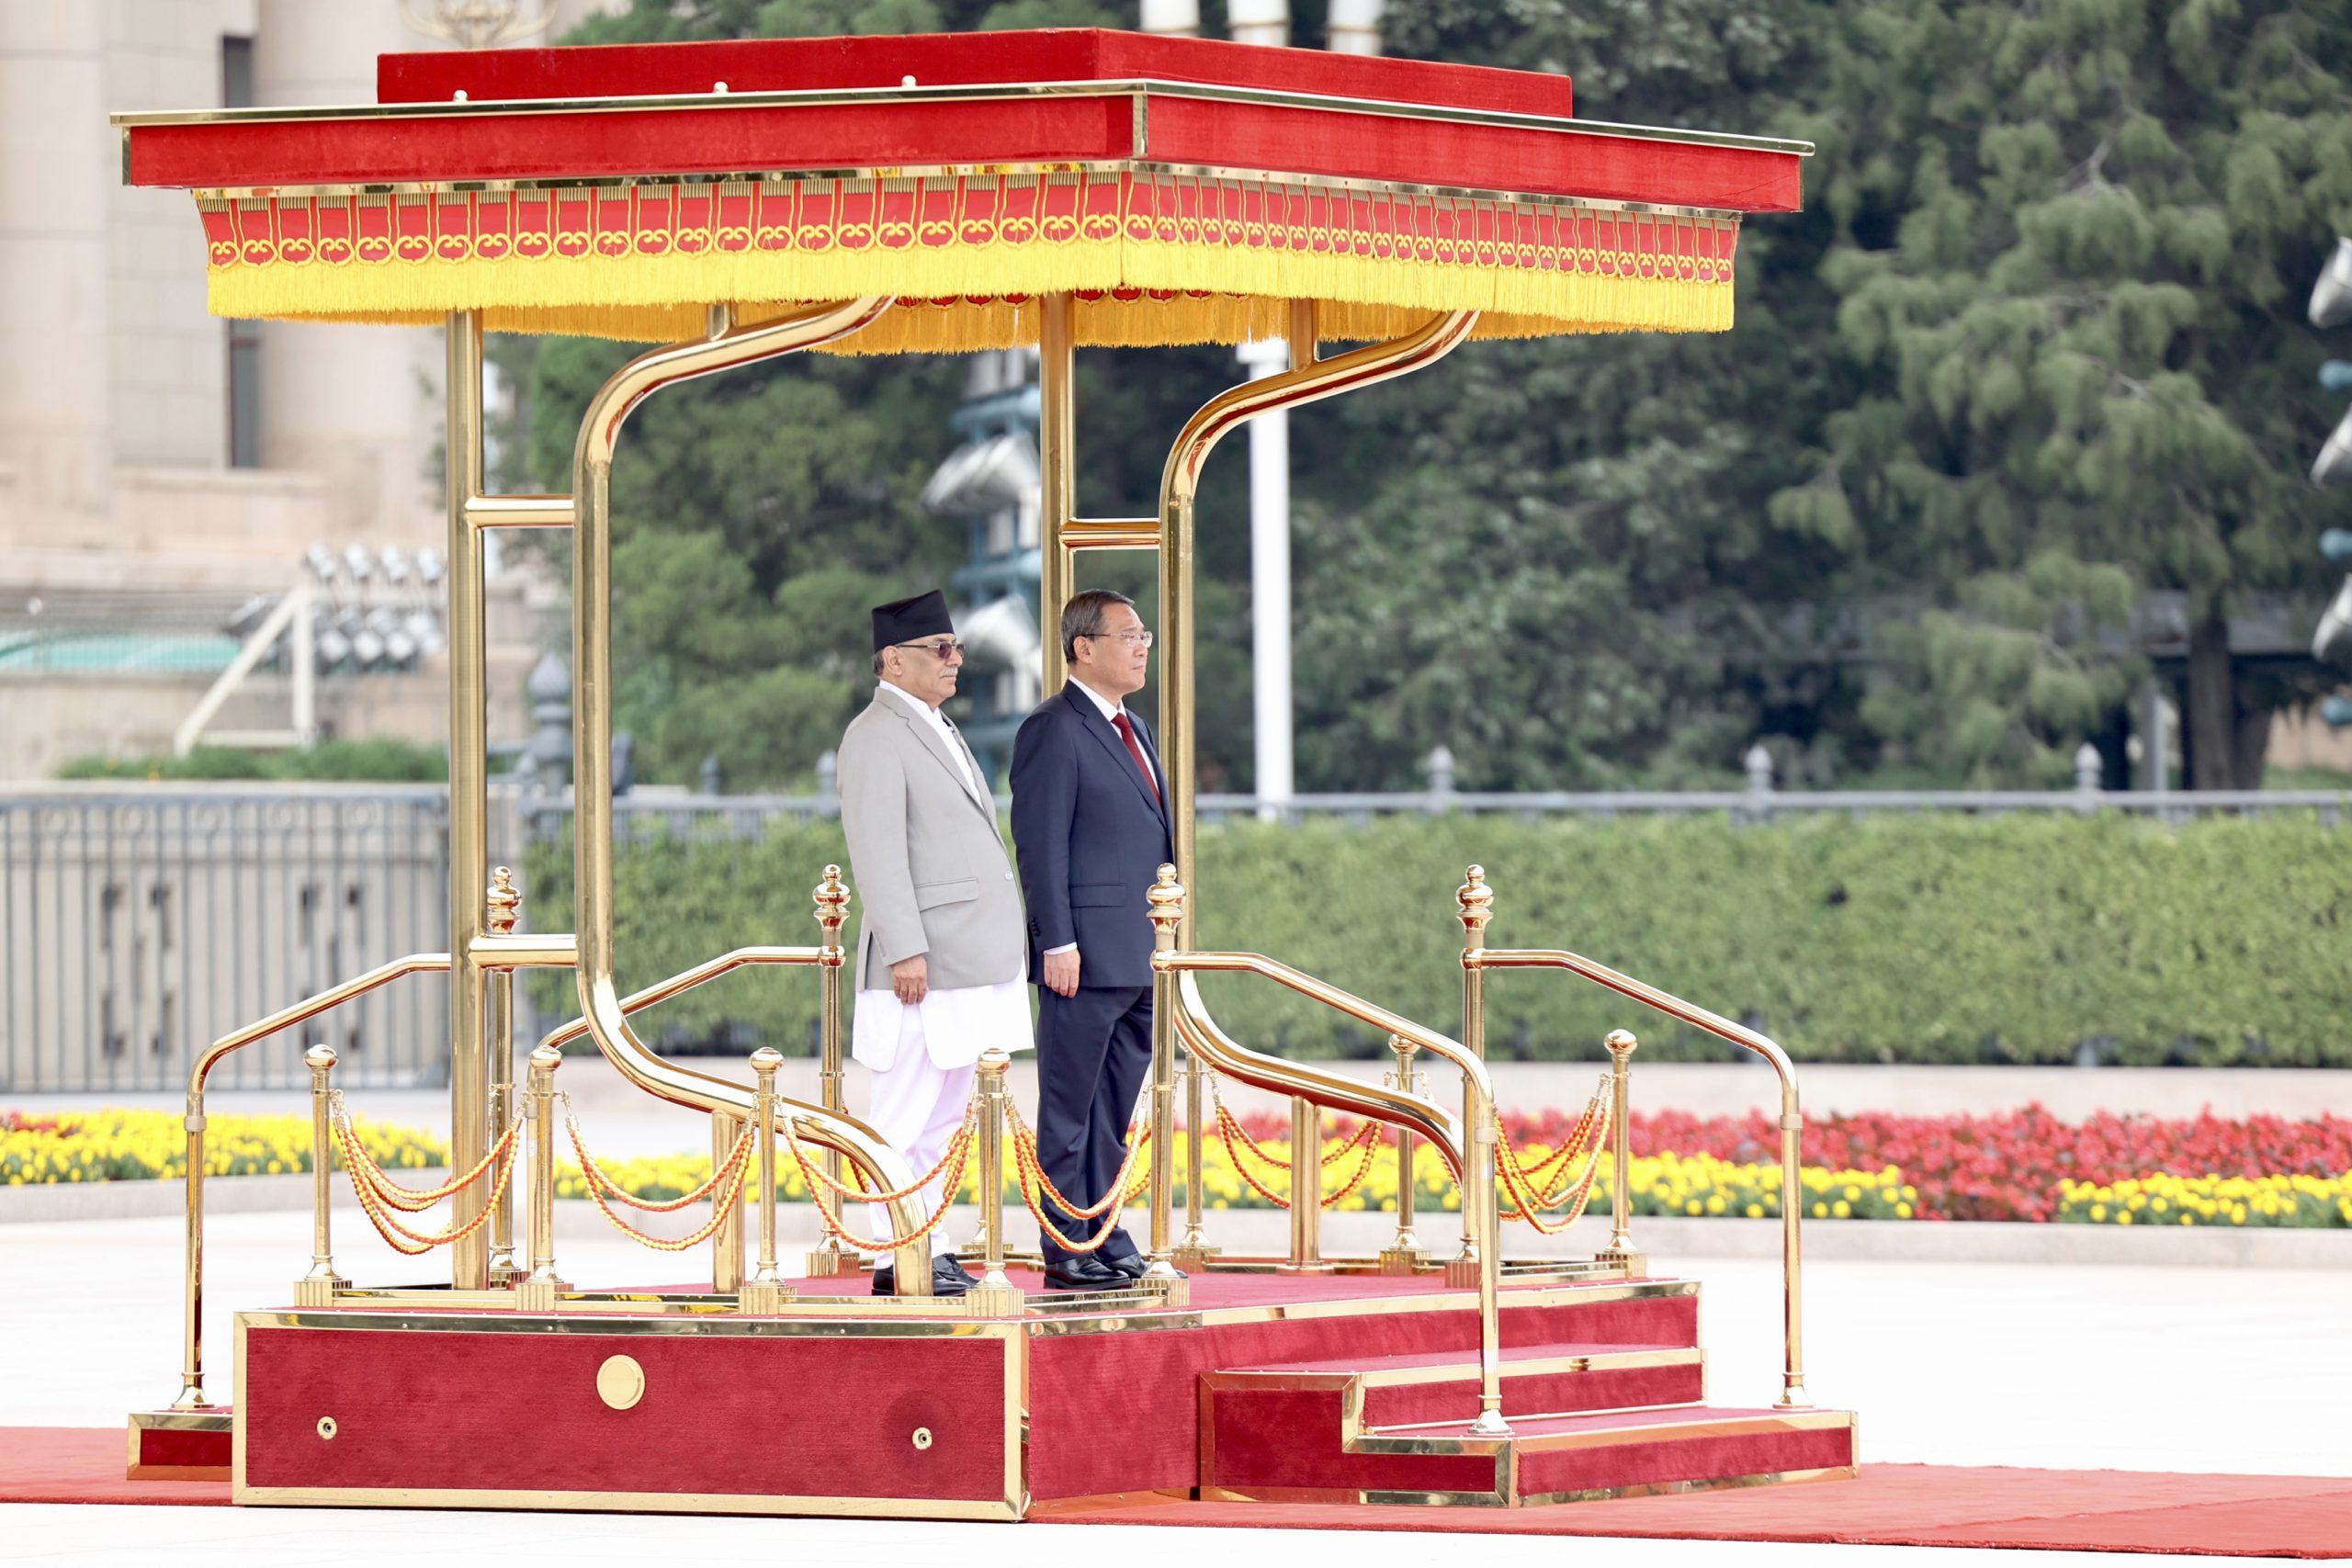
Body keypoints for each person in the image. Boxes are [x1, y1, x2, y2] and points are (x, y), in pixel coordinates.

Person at [837, 589, 1030, 1297]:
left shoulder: (934, 724)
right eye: (939, 649)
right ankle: (899, 1252)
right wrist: (903, 948)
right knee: (904, 1112)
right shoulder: (875, 732)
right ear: (893, 659)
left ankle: (930, 1244)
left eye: (957, 647)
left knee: (948, 1114)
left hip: (968, 958)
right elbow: (878, 851)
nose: (955, 661)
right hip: (922, 963)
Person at [1010, 589, 1177, 1291]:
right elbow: (1040, 842)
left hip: (1138, 951)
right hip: (1081, 956)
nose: (1142, 645)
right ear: (1084, 646)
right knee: (1070, 1107)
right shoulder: (1054, 727)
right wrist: (1056, 940)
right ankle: (1064, 1240)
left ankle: (1102, 1226)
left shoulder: (1131, 726)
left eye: (1145, 636)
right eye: (1129, 634)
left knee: (1113, 1109)